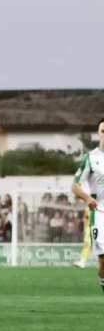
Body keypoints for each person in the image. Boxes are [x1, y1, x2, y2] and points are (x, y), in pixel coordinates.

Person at [71, 118, 104, 292]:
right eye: (103, 131)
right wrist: (86, 197)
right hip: (99, 214)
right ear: (98, 133)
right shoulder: (90, 158)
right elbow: (75, 186)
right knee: (103, 260)